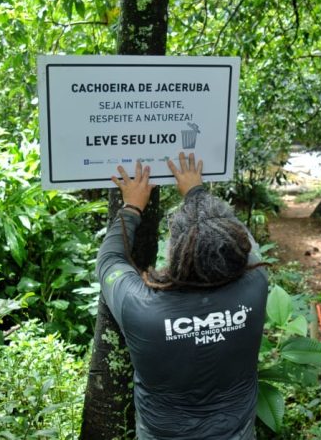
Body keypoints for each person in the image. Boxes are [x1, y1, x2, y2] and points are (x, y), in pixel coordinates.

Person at [97, 152, 269, 440]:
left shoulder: (143, 310)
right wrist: (196, 193)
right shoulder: (255, 285)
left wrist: (132, 207)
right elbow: (243, 239)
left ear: (177, 251)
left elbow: (109, 261)